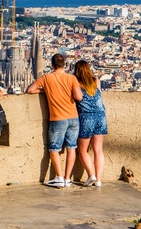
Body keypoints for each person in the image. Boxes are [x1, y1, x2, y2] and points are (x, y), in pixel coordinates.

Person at [26, 53, 83, 187]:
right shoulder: (72, 78)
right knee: (71, 148)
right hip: (74, 117)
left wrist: (44, 91)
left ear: (52, 64)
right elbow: (79, 97)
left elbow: (30, 90)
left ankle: (59, 177)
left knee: (54, 149)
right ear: (64, 64)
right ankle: (67, 178)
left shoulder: (46, 78)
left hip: (57, 118)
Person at [74, 60, 107, 187]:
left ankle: (90, 175)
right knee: (98, 150)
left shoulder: (76, 83)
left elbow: (77, 98)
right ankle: (98, 180)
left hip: (86, 117)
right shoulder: (96, 81)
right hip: (100, 116)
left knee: (83, 150)